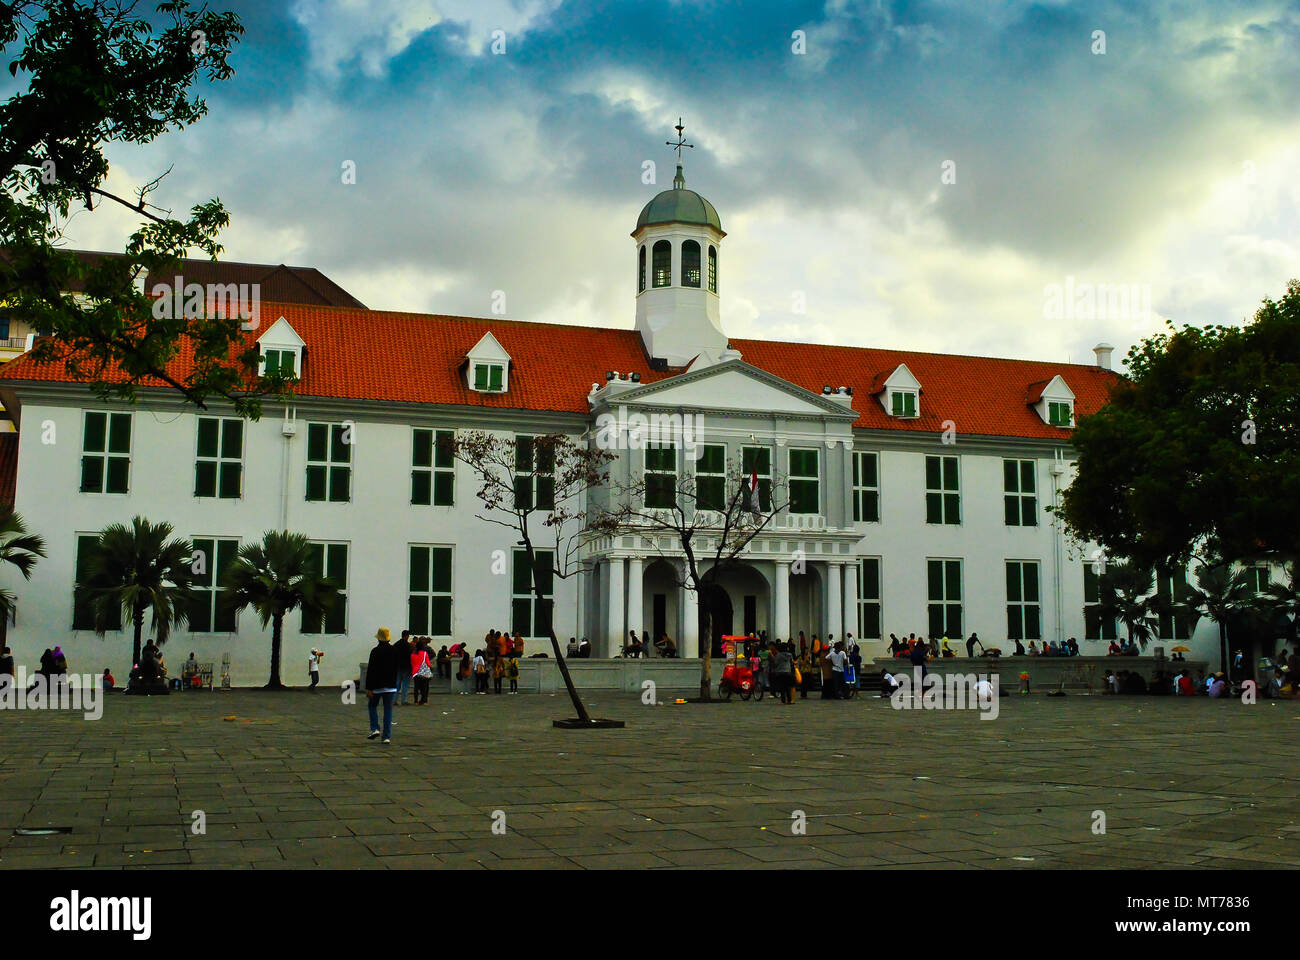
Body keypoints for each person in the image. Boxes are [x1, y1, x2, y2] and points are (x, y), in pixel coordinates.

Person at [365, 628, 400, 743]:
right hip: (390, 685)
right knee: (388, 710)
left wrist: (369, 688)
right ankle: (386, 736)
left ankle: (375, 728)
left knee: (372, 706)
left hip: (376, 686)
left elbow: (371, 670)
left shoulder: (375, 651)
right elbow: (396, 668)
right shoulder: (394, 651)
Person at [394, 630, 413, 705]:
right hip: (406, 667)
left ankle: (394, 700)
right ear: (407, 636)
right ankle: (403, 700)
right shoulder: (408, 645)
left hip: (398, 667)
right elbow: (410, 656)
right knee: (405, 684)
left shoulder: (396, 644)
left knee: (397, 684)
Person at [411, 639, 433, 705]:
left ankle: (416, 701)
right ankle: (424, 700)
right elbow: (428, 664)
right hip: (423, 672)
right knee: (425, 687)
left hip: (415, 672)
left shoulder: (413, 654)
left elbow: (412, 663)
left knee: (416, 687)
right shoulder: (424, 654)